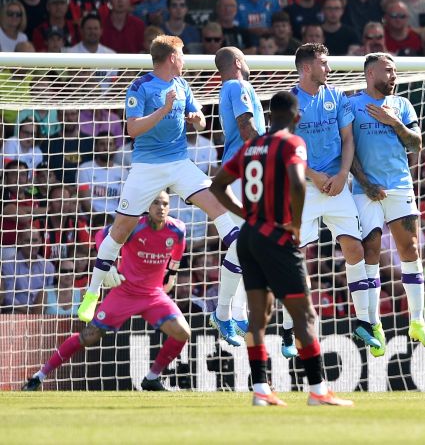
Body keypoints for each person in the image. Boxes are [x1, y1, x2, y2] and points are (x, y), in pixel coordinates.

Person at [77, 36, 245, 346]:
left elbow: (201, 122)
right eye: (182, 53)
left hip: (180, 163)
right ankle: (92, 293)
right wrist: (164, 109)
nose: (185, 58)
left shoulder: (183, 85)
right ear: (170, 57)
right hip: (146, 168)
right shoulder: (141, 87)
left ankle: (229, 300)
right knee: (118, 233)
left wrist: (196, 120)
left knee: (222, 212)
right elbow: (132, 130)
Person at [210, 91, 352, 407]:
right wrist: (296, 224)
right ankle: (317, 389)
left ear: (268, 116)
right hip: (276, 236)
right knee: (304, 313)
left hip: (248, 237)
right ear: (297, 118)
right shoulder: (292, 144)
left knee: (259, 316)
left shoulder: (249, 147)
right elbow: (298, 182)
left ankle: (260, 389)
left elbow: (216, 185)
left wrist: (245, 213)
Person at [21, 192, 188, 392]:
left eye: (165, 204)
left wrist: (173, 273)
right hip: (124, 291)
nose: (161, 207)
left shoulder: (177, 229)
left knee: (182, 332)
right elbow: (101, 236)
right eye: (155, 203)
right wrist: (107, 265)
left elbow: (178, 252)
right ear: (147, 206)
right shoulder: (133, 225)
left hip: (153, 295)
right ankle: (39, 376)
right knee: (89, 336)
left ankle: (151, 378)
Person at [285, 43, 379, 355]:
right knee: (292, 255)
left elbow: (348, 139)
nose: (329, 68)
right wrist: (313, 175)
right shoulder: (287, 101)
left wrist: (341, 175)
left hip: (336, 185)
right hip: (303, 187)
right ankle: (289, 330)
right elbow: (284, 149)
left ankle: (365, 323)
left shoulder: (337, 98)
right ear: (307, 68)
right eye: (324, 63)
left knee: (355, 248)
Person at [350, 52, 425, 357]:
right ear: (370, 73)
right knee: (370, 252)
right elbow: (347, 151)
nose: (394, 76)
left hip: (400, 186)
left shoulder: (402, 105)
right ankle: (373, 323)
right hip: (364, 190)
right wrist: (365, 183)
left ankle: (417, 321)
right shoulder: (352, 106)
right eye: (388, 71)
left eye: (395, 71)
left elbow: (416, 144)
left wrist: (395, 123)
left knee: (411, 249)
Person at [206, 46, 266, 346]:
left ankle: (236, 311)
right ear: (239, 62)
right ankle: (223, 311)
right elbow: (246, 127)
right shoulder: (238, 85)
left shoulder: (227, 88)